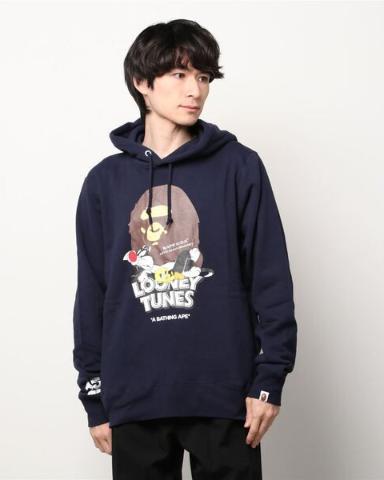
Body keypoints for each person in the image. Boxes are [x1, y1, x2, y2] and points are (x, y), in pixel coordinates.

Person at [72, 18, 298, 479]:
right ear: (142, 82)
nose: (195, 90)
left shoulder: (240, 168)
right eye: (179, 74)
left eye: (204, 77)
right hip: (134, 399)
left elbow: (271, 279)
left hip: (226, 397)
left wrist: (269, 380)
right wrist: (94, 394)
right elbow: (92, 293)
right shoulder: (104, 183)